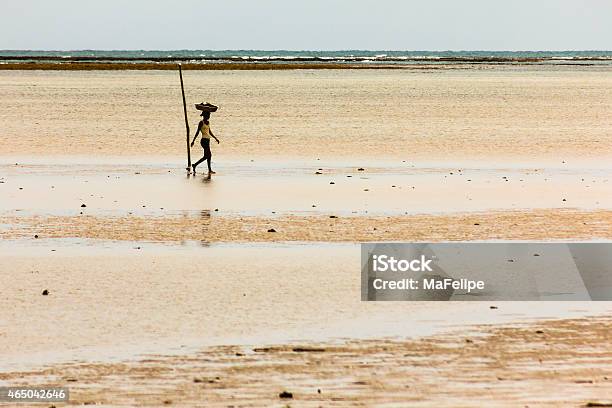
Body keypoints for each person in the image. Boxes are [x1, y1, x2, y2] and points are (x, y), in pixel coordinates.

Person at [190, 111, 220, 175]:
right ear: (204, 116)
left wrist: (215, 138)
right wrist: (193, 141)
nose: (209, 117)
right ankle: (196, 165)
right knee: (208, 155)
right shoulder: (201, 122)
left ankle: (196, 165)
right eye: (208, 115)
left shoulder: (208, 122)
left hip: (208, 140)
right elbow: (197, 132)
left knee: (207, 156)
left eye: (209, 115)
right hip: (204, 141)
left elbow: (209, 132)